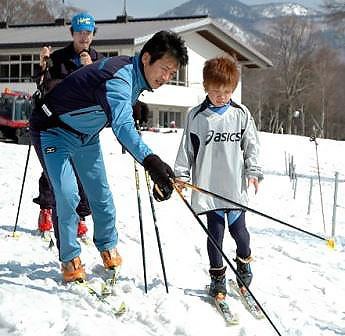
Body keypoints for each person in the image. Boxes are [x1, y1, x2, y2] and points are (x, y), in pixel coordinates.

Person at [29, 30, 188, 282]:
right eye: (164, 69)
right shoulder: (120, 76)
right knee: (68, 194)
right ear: (146, 58)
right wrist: (151, 161)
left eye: (172, 73)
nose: (166, 78)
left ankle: (107, 245)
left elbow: (114, 109)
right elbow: (122, 126)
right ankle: (70, 257)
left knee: (100, 194)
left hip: (87, 136)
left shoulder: (135, 77)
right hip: (53, 130)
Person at [174, 55, 263, 297]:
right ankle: (218, 278)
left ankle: (244, 262)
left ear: (233, 89)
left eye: (226, 91)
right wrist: (181, 176)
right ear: (205, 87)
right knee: (215, 236)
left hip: (234, 188)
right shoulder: (196, 116)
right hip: (208, 189)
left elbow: (251, 146)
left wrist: (253, 171)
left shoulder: (241, 114)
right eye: (215, 91)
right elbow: (186, 150)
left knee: (240, 234)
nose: (221, 96)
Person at [33, 12, 103, 239]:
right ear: (72, 33)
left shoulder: (98, 60)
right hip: (55, 124)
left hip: (84, 127)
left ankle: (80, 216)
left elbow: (103, 91)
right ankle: (46, 208)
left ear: (93, 34)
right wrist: (43, 63)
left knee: (82, 174)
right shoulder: (59, 57)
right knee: (55, 172)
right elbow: (43, 85)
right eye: (80, 32)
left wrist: (91, 69)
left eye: (88, 33)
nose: (84, 37)